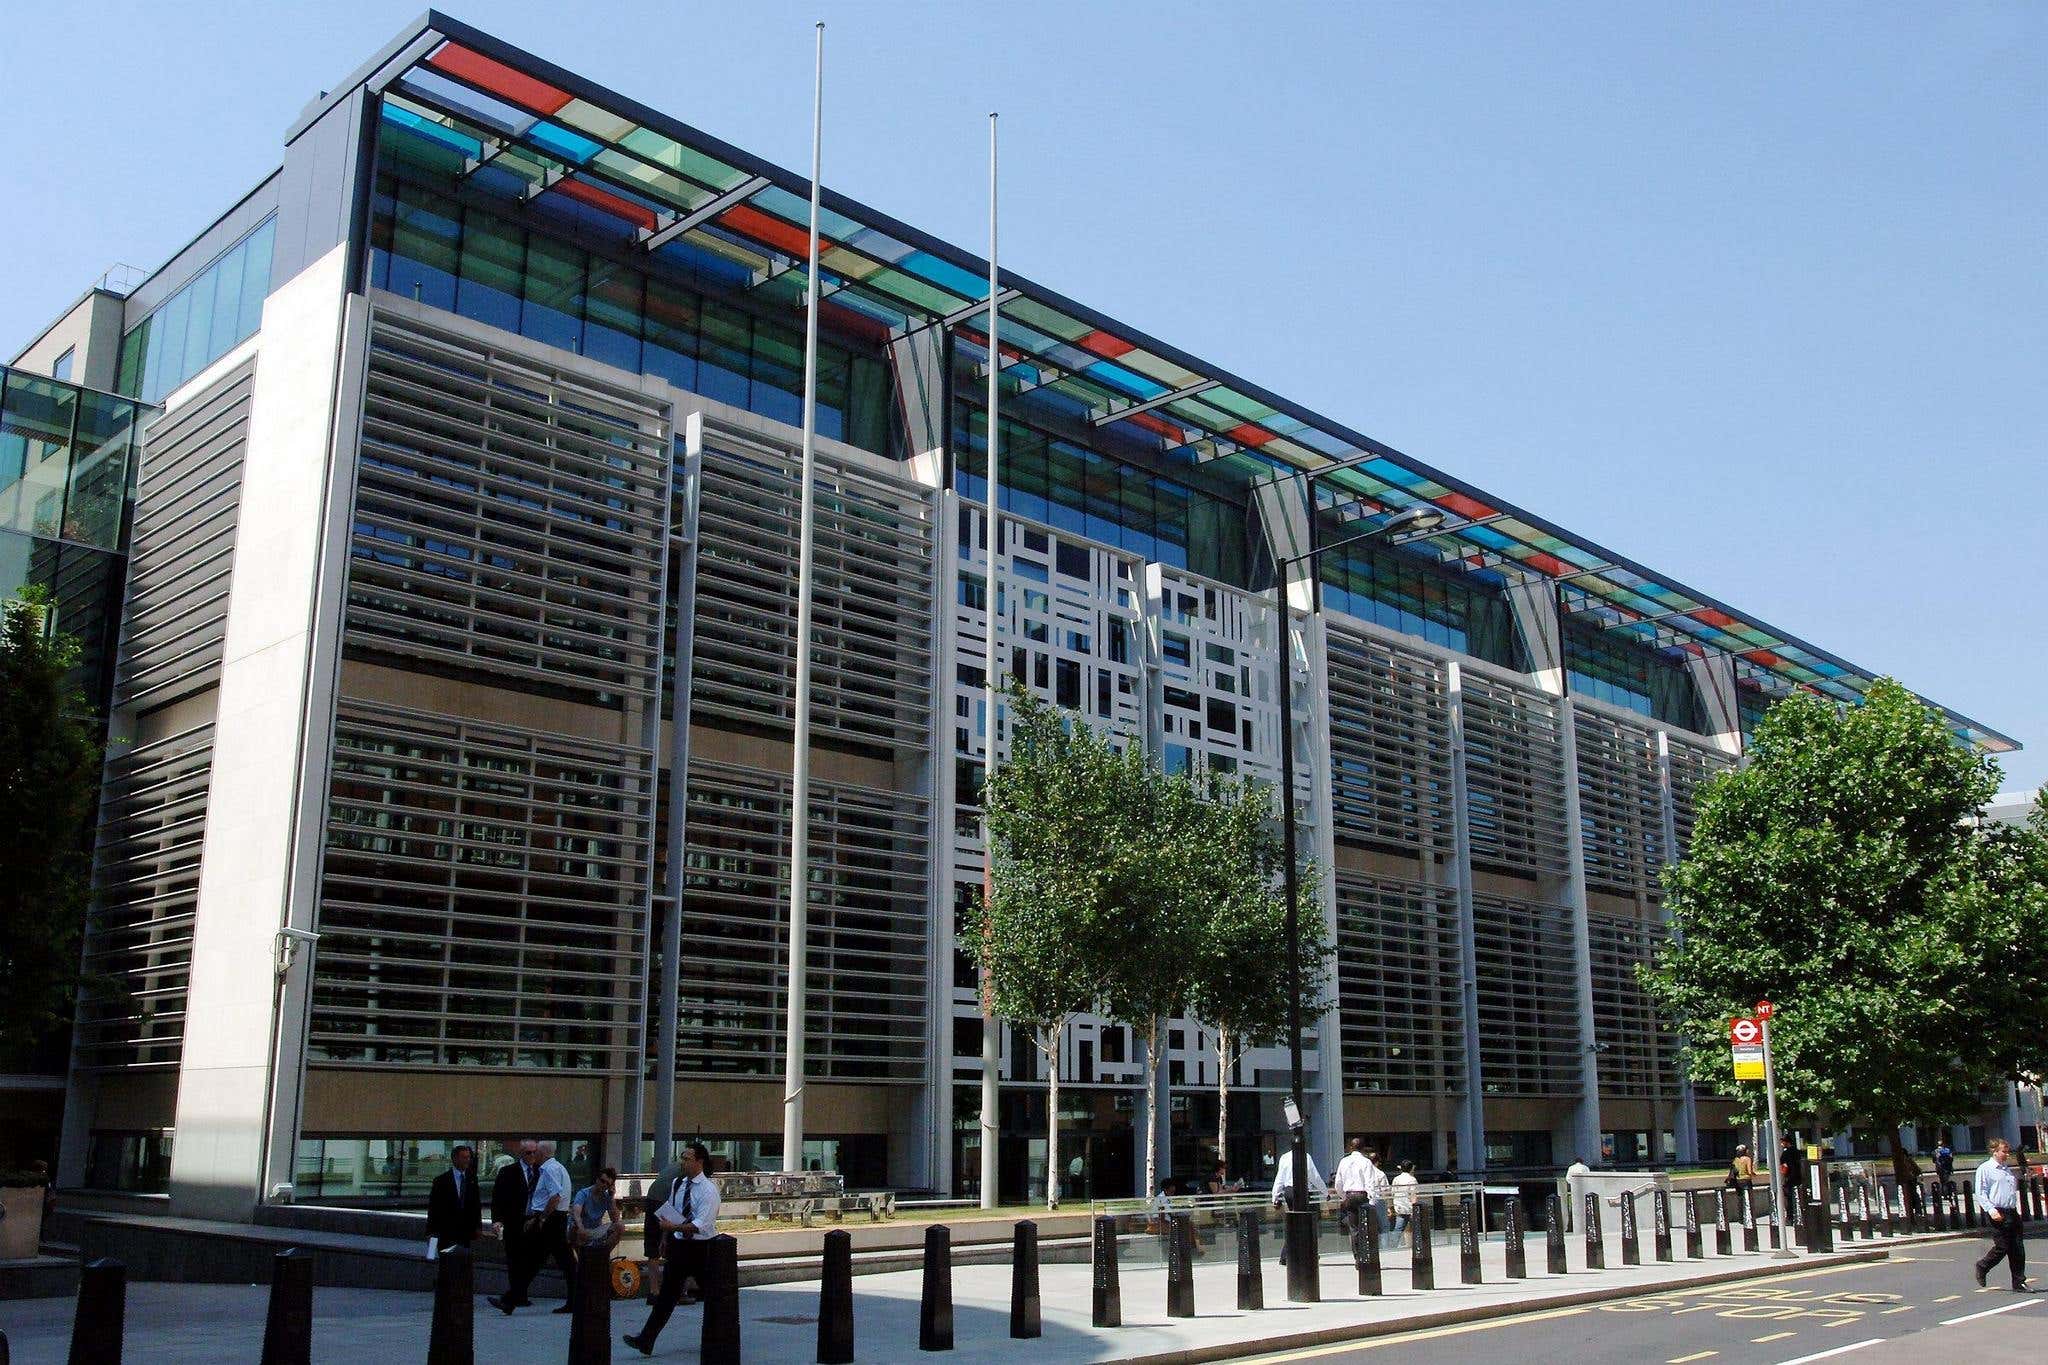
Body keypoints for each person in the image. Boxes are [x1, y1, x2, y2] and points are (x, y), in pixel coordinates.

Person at [624, 1142, 722, 1356]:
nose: (683, 1162)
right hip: (679, 1246)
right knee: (667, 1296)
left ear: (699, 1162)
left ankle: (720, 1337)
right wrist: (666, 1236)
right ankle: (646, 1340)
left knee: (714, 1296)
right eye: (682, 1158)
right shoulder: (678, 1183)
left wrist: (672, 1227)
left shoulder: (708, 1190)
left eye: (687, 1158)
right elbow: (671, 1211)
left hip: (702, 1247)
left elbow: (701, 1224)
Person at [494, 1138, 575, 1315]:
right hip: (555, 1219)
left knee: (559, 1261)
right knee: (537, 1261)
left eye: (536, 1151)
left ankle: (511, 1299)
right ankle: (511, 1299)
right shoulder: (559, 1167)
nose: (534, 1155)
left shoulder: (548, 1169)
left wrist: (542, 1218)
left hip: (552, 1220)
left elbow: (555, 1196)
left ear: (543, 1153)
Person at [1972, 1138, 2028, 1292]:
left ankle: (2019, 1282)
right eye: (2004, 1151)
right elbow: (1981, 1192)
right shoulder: (1985, 1169)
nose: (2007, 1154)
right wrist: (1991, 1210)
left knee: (2017, 1248)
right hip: (1997, 1211)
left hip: (2011, 1211)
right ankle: (1983, 1266)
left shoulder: (2006, 1169)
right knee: (2002, 1246)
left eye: (2008, 1151)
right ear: (1994, 1151)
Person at [488, 1140, 538, 1309]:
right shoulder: (508, 1172)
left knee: (529, 1259)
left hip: (533, 1221)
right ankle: (517, 1296)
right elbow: (497, 1198)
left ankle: (516, 1296)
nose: (532, 1156)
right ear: (521, 1154)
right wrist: (497, 1220)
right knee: (514, 1259)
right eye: (528, 1153)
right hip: (514, 1221)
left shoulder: (541, 1171)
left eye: (534, 1152)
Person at [1270, 1149, 1327, 1267]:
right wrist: (1325, 1192)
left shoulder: (1284, 1157)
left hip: (1289, 1191)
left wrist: (1275, 1196)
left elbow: (1279, 1178)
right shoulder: (1306, 1156)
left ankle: (1287, 1255)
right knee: (1304, 1224)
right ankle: (1305, 1254)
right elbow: (1314, 1176)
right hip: (1302, 1190)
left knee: (1294, 1224)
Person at [427, 1145, 483, 1253]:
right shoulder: (441, 1181)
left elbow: (476, 1205)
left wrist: (478, 1227)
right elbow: (434, 1208)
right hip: (446, 1231)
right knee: (447, 1264)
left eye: (468, 1157)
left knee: (464, 1264)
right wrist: (431, 1232)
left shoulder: (472, 1179)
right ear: (455, 1159)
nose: (467, 1160)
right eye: (464, 1157)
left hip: (466, 1232)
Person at [571, 1167, 623, 1253]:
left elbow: (615, 1219)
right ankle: (582, 1258)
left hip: (596, 1229)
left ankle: (603, 1254)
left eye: (608, 1184)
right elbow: (576, 1213)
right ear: (597, 1179)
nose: (604, 1185)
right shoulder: (583, 1193)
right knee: (574, 1227)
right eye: (602, 1181)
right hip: (582, 1228)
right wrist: (581, 1227)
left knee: (620, 1227)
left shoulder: (607, 1197)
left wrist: (612, 1197)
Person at [1333, 1138, 1378, 1235]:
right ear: (1363, 1149)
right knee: (1366, 1226)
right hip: (1363, 1195)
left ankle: (1356, 1250)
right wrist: (1372, 1200)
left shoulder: (1344, 1161)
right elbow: (1370, 1182)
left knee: (1354, 1228)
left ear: (1351, 1148)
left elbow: (1338, 1183)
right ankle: (1366, 1249)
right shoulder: (1366, 1162)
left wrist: (1344, 1197)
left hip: (1350, 1195)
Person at [1389, 1160, 1420, 1244]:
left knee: (1398, 1228)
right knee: (1417, 1228)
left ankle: (1393, 1245)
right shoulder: (1412, 1180)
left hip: (1399, 1206)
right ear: (1411, 1168)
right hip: (1409, 1208)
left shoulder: (1396, 1179)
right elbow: (1413, 1195)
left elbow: (1393, 1192)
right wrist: (1415, 1208)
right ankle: (1418, 1244)